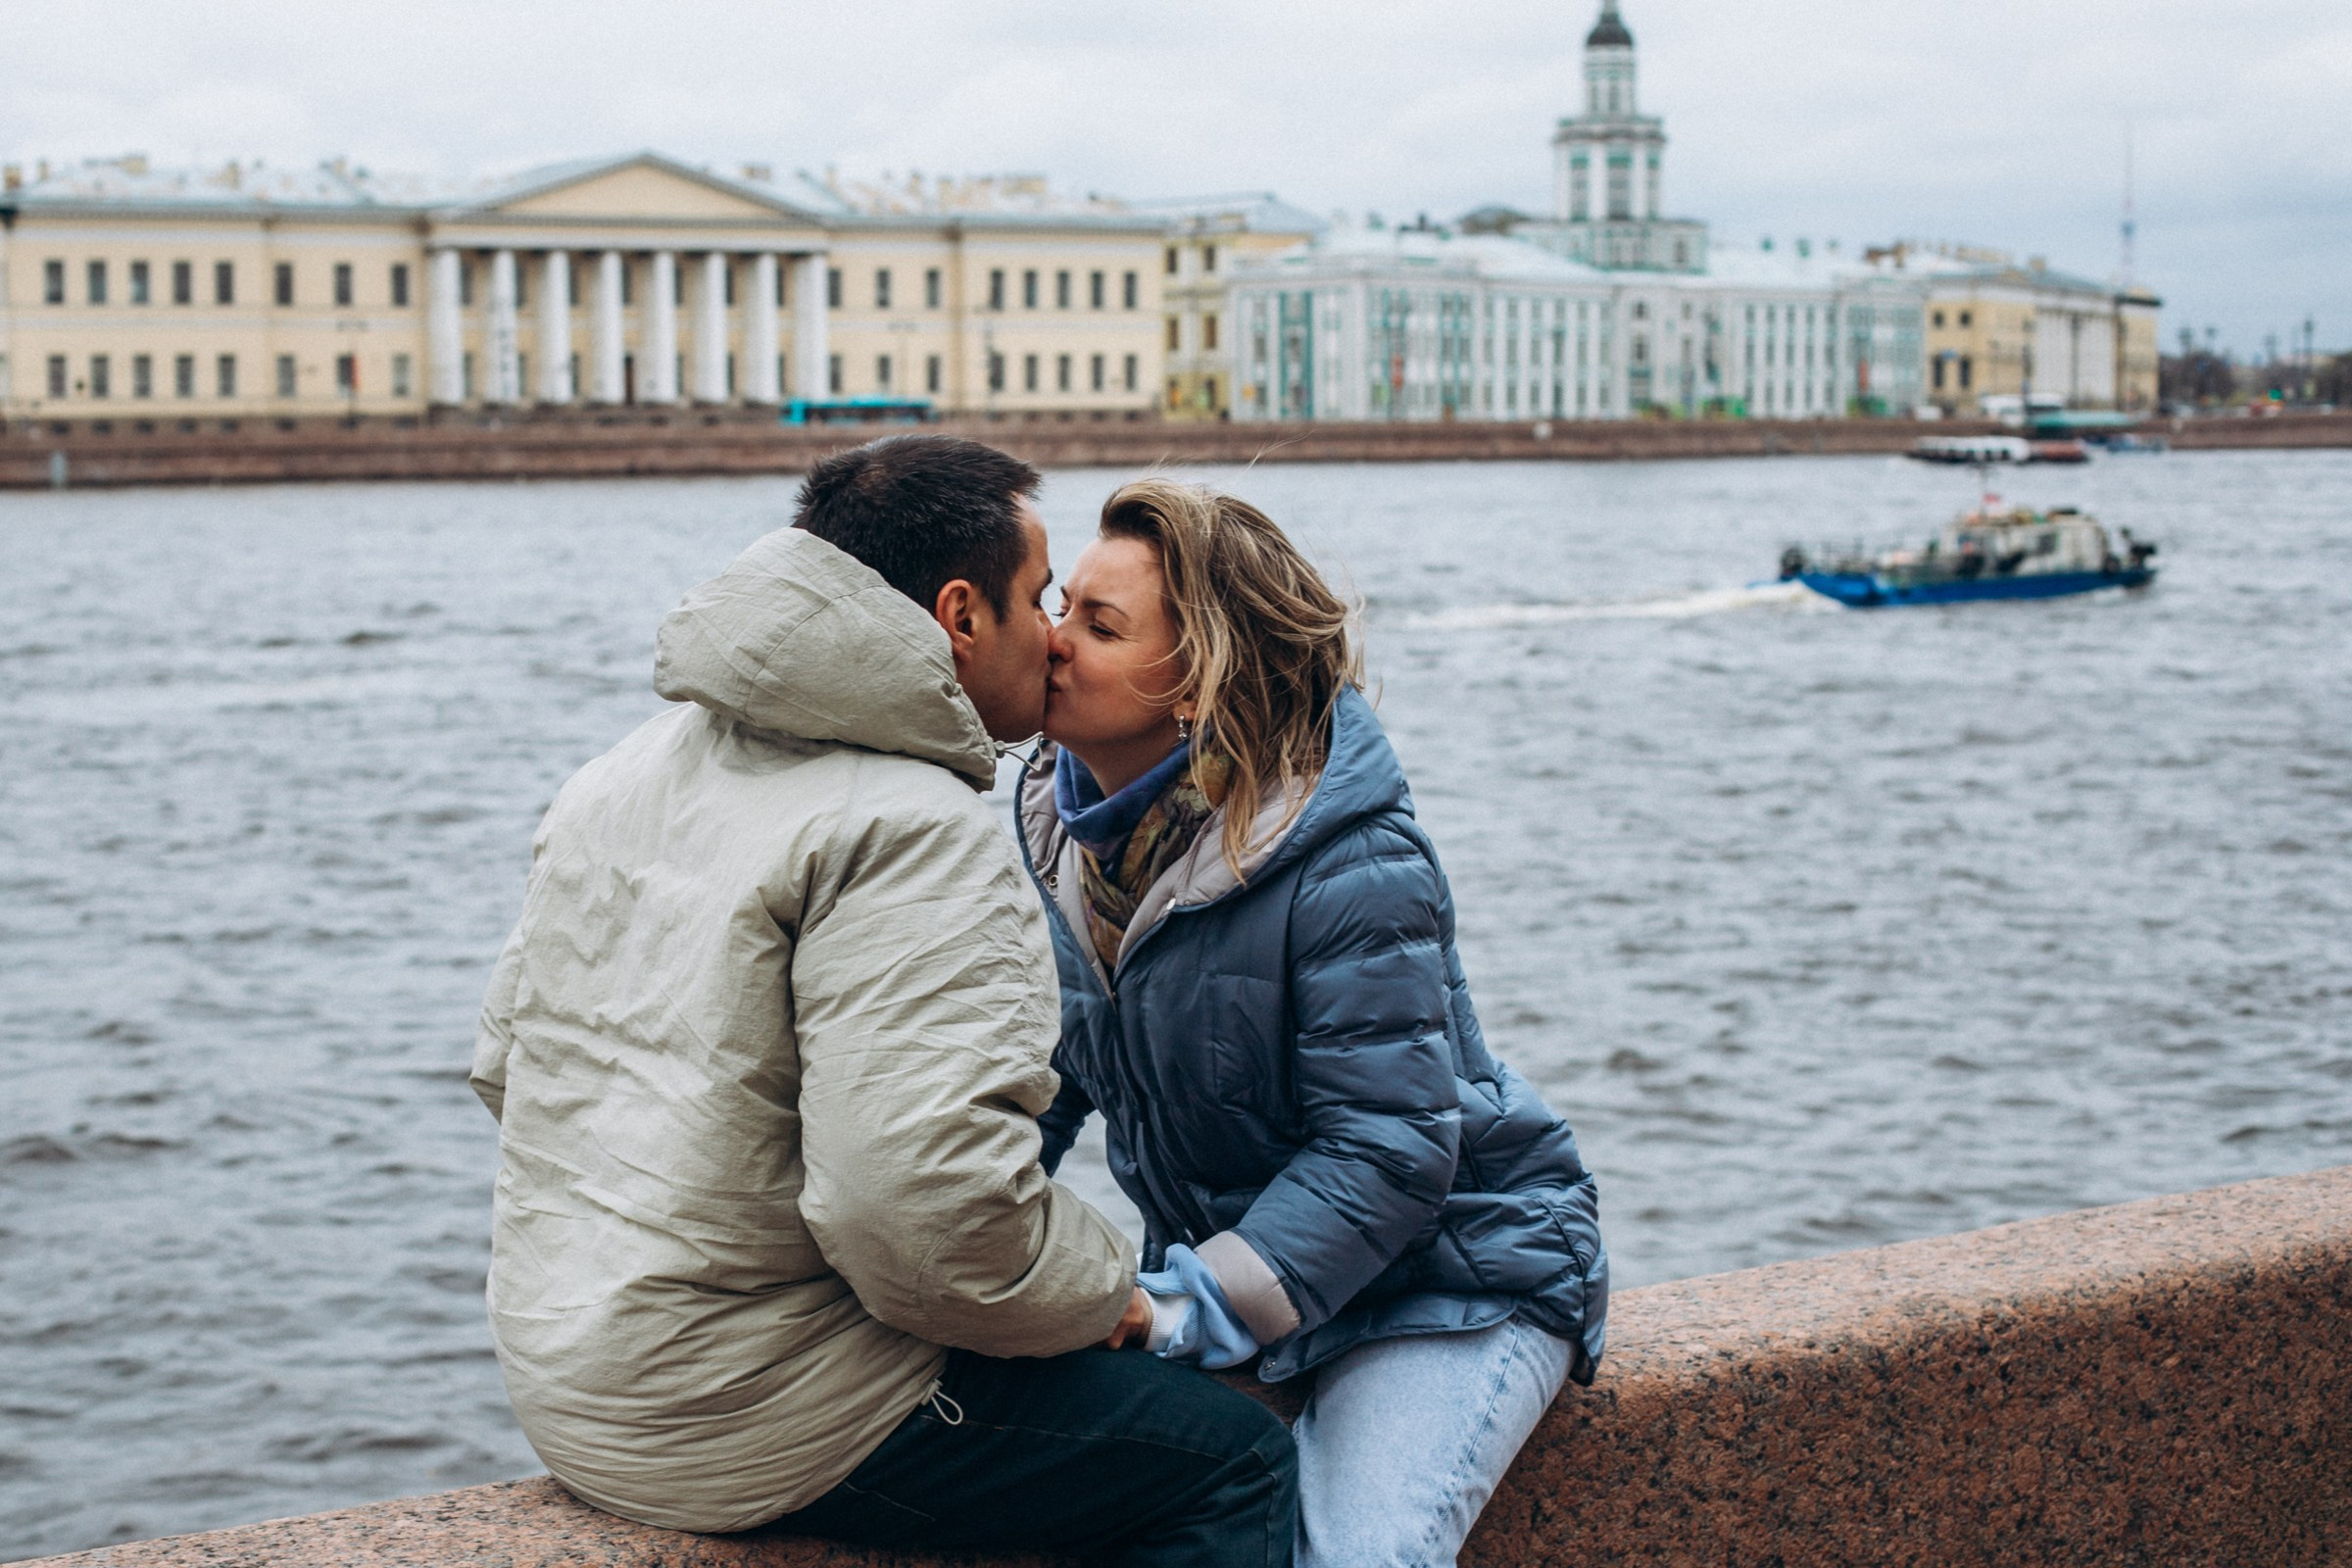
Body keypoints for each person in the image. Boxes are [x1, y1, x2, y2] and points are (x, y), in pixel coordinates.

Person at [470, 437, 1296, 1567]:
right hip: (747, 1418)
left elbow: (506, 1070)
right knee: (1228, 1457)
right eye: (1038, 598)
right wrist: (1105, 1287)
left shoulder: (626, 769)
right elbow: (917, 1215)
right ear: (960, 616)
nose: (1055, 633)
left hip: (566, 1371)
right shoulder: (910, 827)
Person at [1020, 476, 1608, 1568]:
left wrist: (1176, 1307)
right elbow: (1035, 1089)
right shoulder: (1068, 847)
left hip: (1449, 1281)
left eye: (1098, 626)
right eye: (1061, 605)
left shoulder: (1350, 862)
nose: (1051, 641)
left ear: (1193, 683)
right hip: (1255, 1284)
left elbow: (1387, 1152)